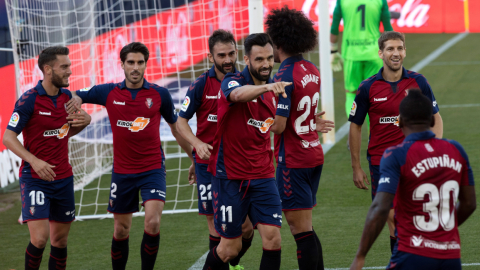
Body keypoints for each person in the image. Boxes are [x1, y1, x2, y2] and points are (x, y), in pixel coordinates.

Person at [66, 42, 194, 270]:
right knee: (121, 229)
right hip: (122, 172)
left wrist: (193, 159)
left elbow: (176, 129)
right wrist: (76, 99)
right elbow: (76, 94)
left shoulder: (159, 94)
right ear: (122, 65)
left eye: (140, 63)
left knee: (153, 222)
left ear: (145, 64)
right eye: (131, 63)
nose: (135, 68)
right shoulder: (108, 92)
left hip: (153, 168)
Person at [350, 89, 476, 270]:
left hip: (412, 255)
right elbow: (470, 204)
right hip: (451, 256)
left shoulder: (396, 154)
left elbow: (381, 207)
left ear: (400, 122)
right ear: (432, 120)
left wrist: (360, 255)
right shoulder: (456, 150)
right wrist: (440, 230)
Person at [201, 33, 291, 270]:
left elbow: (278, 127)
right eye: (259, 59)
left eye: (270, 58)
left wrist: (311, 123)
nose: (266, 64)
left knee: (273, 239)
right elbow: (237, 95)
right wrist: (267, 88)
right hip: (230, 177)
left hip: (263, 175)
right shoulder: (232, 80)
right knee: (230, 248)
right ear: (247, 59)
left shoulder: (277, 90)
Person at [348, 31, 443, 253]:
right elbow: (356, 125)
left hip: (414, 161)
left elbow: (436, 118)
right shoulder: (367, 87)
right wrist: (356, 166)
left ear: (405, 51)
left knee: (411, 217)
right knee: (391, 216)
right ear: (381, 53)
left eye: (399, 48)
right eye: (390, 49)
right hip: (381, 163)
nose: (396, 53)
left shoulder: (418, 82)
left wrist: (433, 150)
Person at [2, 46, 91, 270]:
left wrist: (84, 122)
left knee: (59, 241)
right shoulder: (28, 100)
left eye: (69, 66)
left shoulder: (69, 98)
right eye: (64, 67)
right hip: (35, 179)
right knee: (40, 239)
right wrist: (34, 160)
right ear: (48, 69)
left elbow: (63, 133)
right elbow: (8, 138)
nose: (70, 71)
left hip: (63, 178)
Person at [177, 29, 253, 270]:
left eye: (231, 53)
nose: (228, 59)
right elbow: (180, 121)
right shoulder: (200, 84)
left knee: (247, 228)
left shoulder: (245, 81)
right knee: (216, 225)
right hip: (208, 166)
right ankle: (227, 266)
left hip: (238, 162)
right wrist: (197, 146)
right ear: (211, 57)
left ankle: (231, 262)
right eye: (222, 55)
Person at [265, 7, 335, 270]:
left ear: (278, 42)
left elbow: (280, 126)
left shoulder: (283, 75)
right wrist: (309, 122)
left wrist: (256, 121)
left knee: (299, 229)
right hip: (313, 153)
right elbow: (301, 112)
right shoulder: (312, 68)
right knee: (306, 227)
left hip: (293, 159)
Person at [330, 0, 394, 128]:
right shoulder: (380, 1)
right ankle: (375, 135)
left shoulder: (342, 1)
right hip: (374, 54)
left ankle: (353, 130)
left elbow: (334, 27)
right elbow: (388, 29)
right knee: (375, 95)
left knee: (351, 93)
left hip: (352, 54)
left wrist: (333, 50)